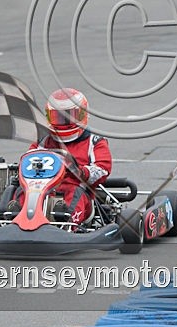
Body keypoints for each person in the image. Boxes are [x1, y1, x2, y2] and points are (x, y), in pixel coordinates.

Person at [11, 88, 112, 227]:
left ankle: (66, 223)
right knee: (22, 191)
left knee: (74, 193)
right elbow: (29, 158)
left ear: (82, 115)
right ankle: (14, 218)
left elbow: (103, 169)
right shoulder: (43, 140)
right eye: (57, 117)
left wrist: (81, 172)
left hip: (75, 186)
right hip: (41, 186)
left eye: (69, 116)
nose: (63, 122)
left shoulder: (94, 142)